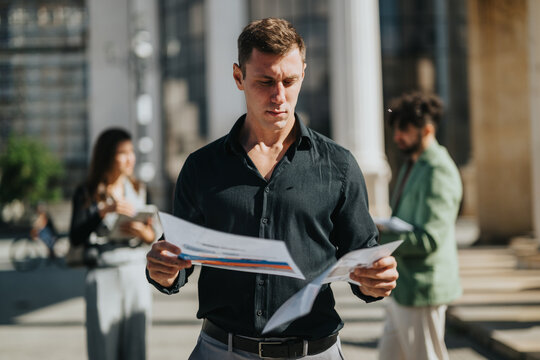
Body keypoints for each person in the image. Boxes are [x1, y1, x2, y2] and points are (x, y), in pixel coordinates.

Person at [146, 18, 398, 360]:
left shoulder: (338, 166)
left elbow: (363, 258)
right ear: (239, 77)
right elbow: (177, 261)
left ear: (303, 74)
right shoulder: (202, 167)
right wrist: (162, 270)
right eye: (265, 81)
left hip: (315, 352)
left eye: (289, 81)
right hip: (223, 351)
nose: (279, 96)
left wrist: (376, 280)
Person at [377, 92, 463, 360]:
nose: (397, 137)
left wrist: (380, 238)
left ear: (427, 130)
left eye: (404, 130)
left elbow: (428, 240)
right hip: (403, 287)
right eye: (396, 129)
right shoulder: (412, 164)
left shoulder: (439, 170)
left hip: (423, 289)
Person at [69, 128, 157, 360]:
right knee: (103, 347)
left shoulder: (140, 189)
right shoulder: (87, 192)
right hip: (103, 272)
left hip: (135, 271)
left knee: (136, 347)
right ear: (108, 156)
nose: (131, 158)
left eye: (132, 152)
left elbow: (155, 236)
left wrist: (142, 232)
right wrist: (103, 211)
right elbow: (75, 236)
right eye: (123, 153)